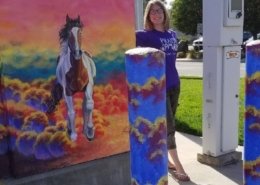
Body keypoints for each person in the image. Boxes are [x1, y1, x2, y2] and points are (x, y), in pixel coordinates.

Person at [135, 0, 190, 182]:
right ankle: (178, 166)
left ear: (165, 13)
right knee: (170, 128)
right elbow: (124, 42)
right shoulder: (144, 35)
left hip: (175, 84)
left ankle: (166, 159)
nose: (156, 14)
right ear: (148, 16)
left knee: (168, 124)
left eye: (159, 10)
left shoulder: (172, 34)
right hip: (159, 87)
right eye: (152, 12)